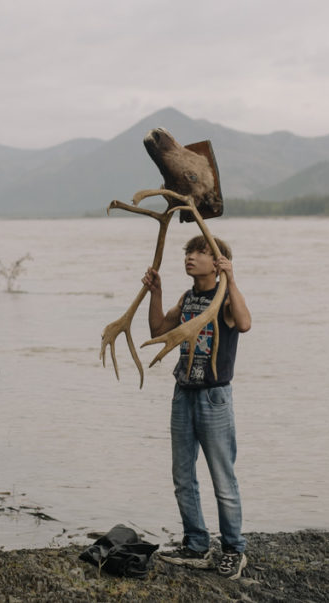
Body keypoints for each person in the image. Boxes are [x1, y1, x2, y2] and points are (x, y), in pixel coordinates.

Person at [142, 234, 252, 580]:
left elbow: (245, 323)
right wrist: (155, 293)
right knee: (183, 475)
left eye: (201, 252)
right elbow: (159, 329)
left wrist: (231, 279)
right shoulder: (188, 298)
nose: (191, 257)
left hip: (213, 397)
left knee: (223, 477)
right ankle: (196, 543)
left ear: (217, 262)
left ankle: (234, 550)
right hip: (183, 393)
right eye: (189, 251)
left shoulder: (225, 300)